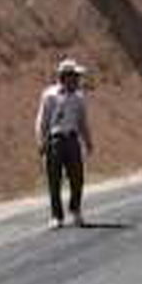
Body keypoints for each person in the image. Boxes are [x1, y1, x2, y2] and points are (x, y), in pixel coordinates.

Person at [35, 58, 94, 228]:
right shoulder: (49, 95)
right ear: (65, 77)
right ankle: (56, 216)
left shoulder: (79, 98)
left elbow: (82, 122)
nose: (77, 80)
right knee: (54, 179)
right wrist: (41, 141)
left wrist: (88, 141)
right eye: (74, 76)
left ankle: (75, 210)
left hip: (72, 140)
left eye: (78, 77)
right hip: (55, 140)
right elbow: (42, 120)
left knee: (77, 177)